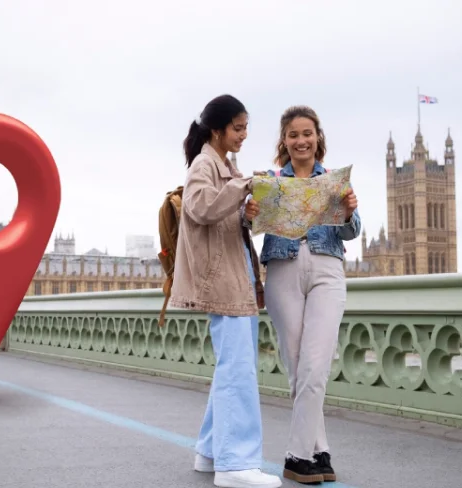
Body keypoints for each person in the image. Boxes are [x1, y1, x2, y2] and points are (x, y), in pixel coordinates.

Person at [170, 94, 282, 488]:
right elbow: (199, 208)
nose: (244, 135)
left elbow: (222, 220)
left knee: (229, 370)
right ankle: (235, 464)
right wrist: (245, 186)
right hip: (224, 281)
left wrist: (248, 212)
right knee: (238, 372)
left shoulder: (223, 165)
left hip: (235, 278)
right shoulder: (205, 163)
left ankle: (210, 451)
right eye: (238, 128)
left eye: (247, 127)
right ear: (217, 129)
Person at [245, 105, 360, 484]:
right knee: (298, 369)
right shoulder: (272, 182)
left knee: (315, 364)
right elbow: (252, 227)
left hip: (327, 268)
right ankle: (319, 450)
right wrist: (250, 213)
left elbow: (353, 230)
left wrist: (348, 211)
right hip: (282, 268)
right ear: (285, 141)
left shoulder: (334, 181)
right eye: (293, 135)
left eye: (307, 133)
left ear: (317, 137)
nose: (301, 140)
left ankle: (296, 455)